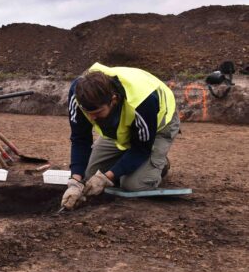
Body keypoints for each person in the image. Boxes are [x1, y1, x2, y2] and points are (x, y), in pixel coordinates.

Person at [61, 62, 180, 210]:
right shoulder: (78, 95)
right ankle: (128, 161)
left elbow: (141, 148)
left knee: (133, 185)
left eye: (97, 113)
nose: (91, 119)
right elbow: (80, 139)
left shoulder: (143, 101)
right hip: (120, 129)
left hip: (157, 126)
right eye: (88, 113)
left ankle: (159, 165)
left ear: (114, 100)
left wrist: (106, 177)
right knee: (89, 176)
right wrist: (75, 181)